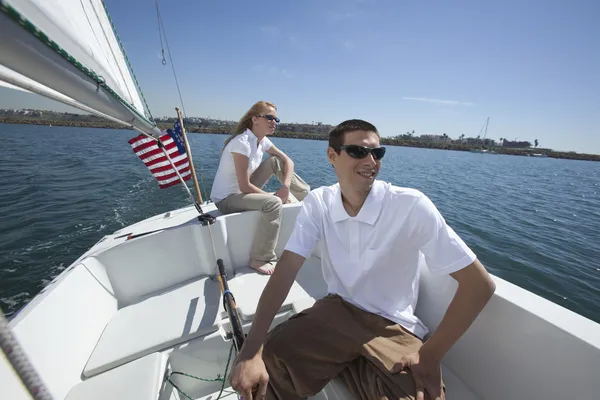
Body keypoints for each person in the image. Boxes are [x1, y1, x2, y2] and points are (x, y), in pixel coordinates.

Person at [229, 119, 497, 399]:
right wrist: (251, 350)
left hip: (392, 325)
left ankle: (345, 362)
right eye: (358, 151)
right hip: (336, 310)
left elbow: (479, 285)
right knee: (262, 371)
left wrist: (431, 355)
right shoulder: (319, 203)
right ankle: (348, 361)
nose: (371, 161)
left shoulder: (410, 205)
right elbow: (286, 271)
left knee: (423, 395)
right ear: (332, 155)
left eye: (377, 153)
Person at [210, 101, 310, 274]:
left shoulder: (262, 141)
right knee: (273, 204)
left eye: (276, 120)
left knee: (275, 161)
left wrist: (285, 187)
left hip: (242, 191)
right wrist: (275, 198)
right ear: (255, 119)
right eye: (269, 117)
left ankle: (304, 197)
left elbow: (288, 161)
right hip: (227, 199)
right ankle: (258, 258)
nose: (274, 122)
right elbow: (244, 185)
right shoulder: (241, 142)